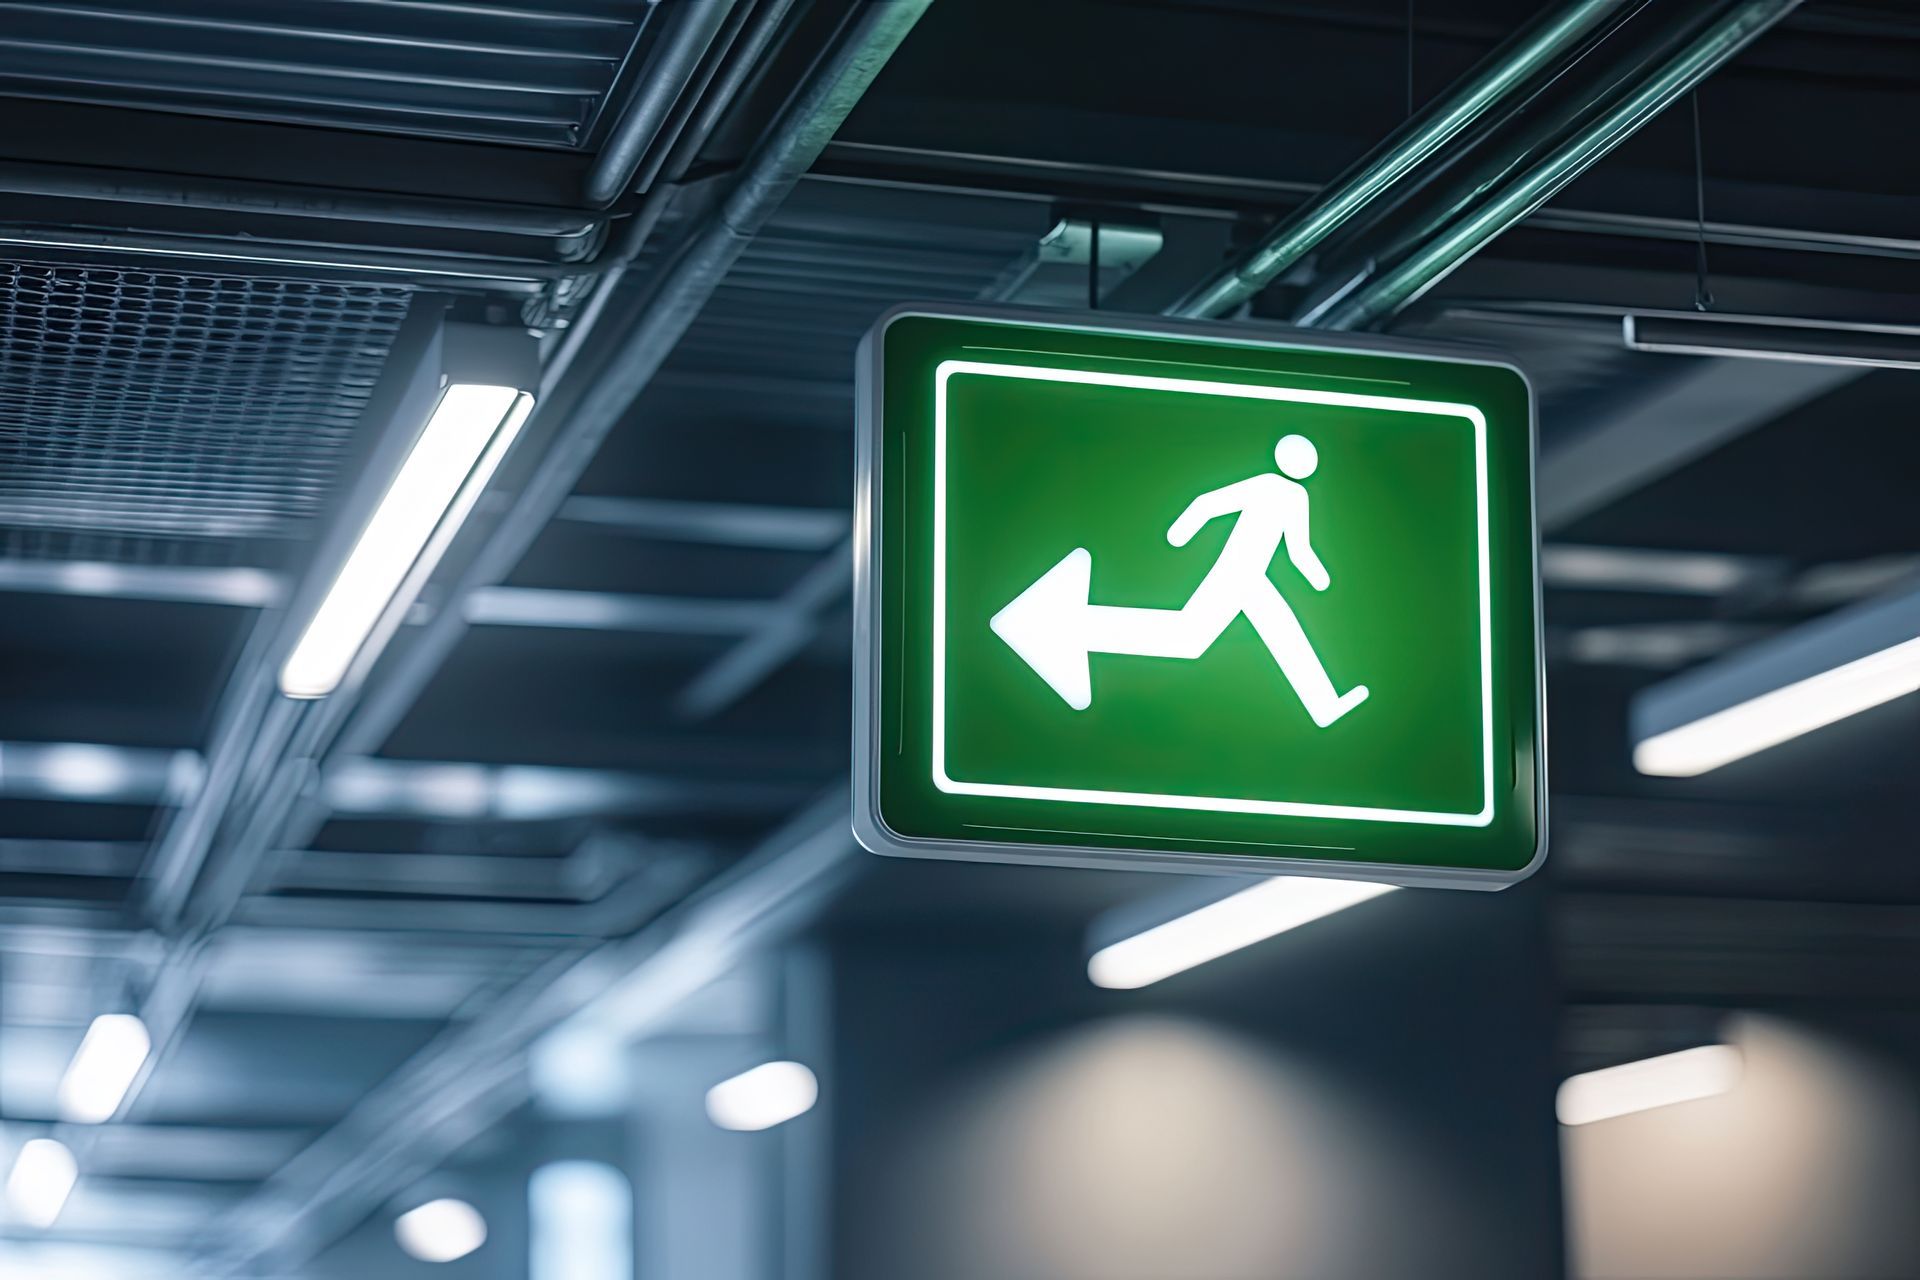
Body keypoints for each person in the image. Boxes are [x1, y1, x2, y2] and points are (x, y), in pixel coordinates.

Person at [1165, 433, 1369, 727]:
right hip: (1236, 574)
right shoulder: (1269, 486)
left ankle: (1324, 705)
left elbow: (1299, 549)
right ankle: (1089, 627)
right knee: (1188, 639)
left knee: (1283, 634)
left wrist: (1317, 576)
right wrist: (1180, 532)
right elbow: (1209, 503)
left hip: (1251, 579)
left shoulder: (1296, 495)